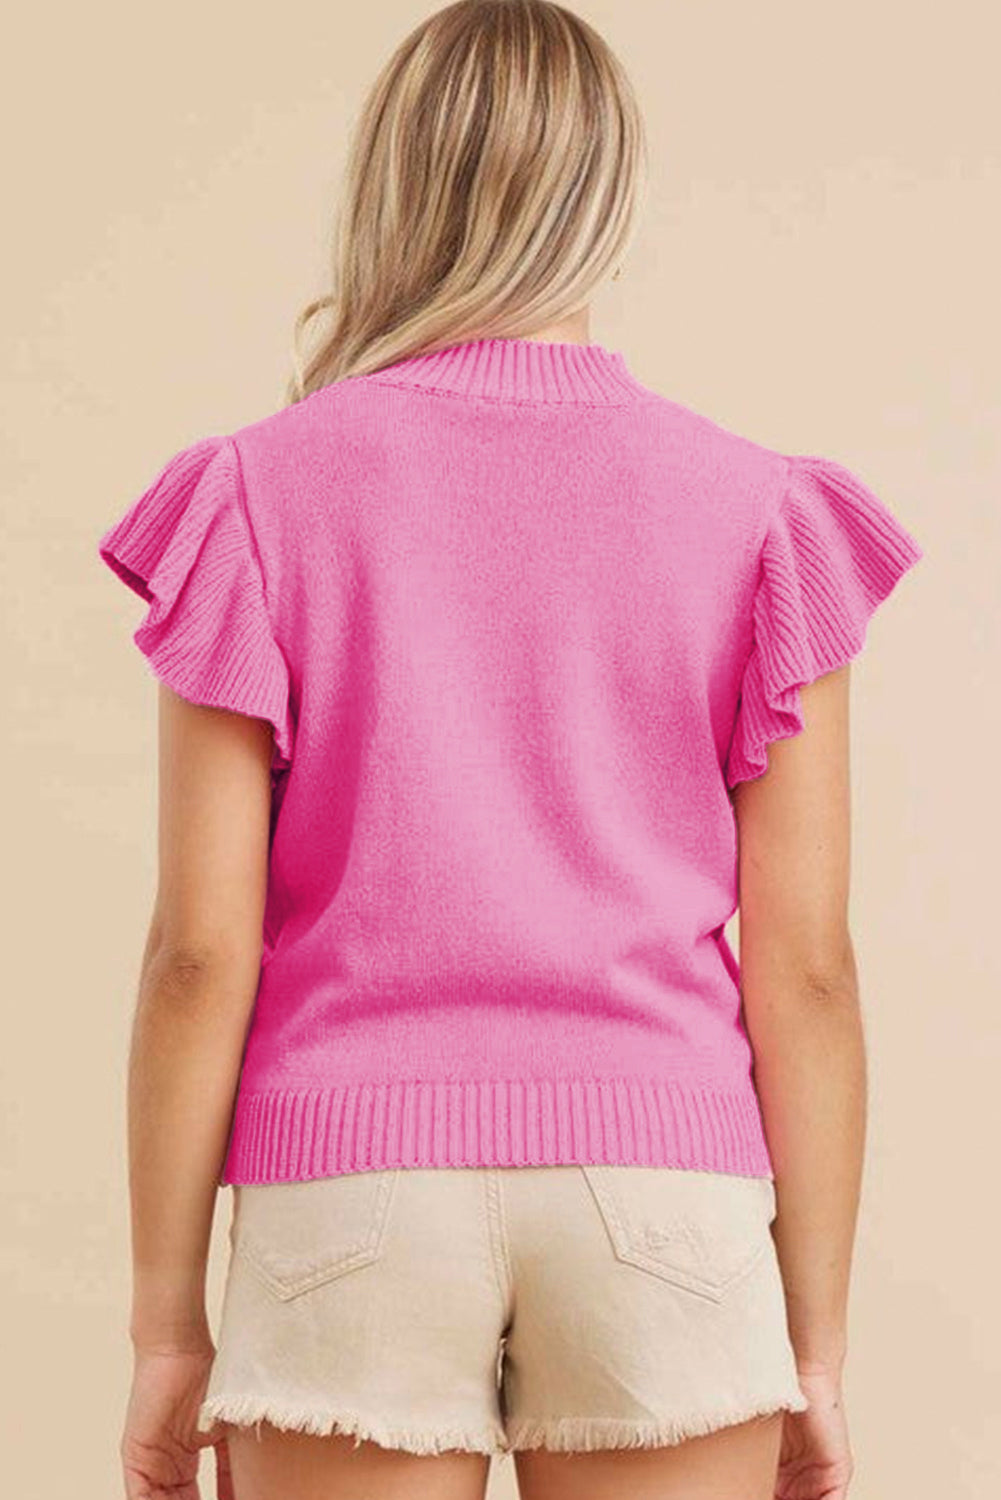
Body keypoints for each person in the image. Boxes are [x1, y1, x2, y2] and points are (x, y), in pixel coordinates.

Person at [97, 3, 923, 1498]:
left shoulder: (257, 496)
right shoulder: (755, 512)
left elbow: (199, 954)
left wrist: (166, 1327)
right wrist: (813, 1348)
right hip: (661, 1187)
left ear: (390, 183)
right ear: (606, 199)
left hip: (345, 1182)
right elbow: (806, 969)